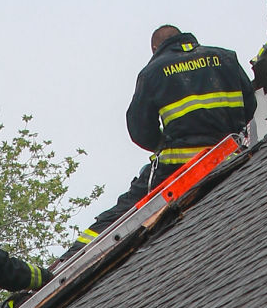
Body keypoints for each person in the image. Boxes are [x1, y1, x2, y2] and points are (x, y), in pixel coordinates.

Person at [69, 25, 256, 252]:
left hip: (178, 166)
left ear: (155, 48)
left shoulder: (153, 71)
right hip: (230, 155)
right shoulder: (225, 58)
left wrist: (163, 145)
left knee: (123, 212)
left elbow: (139, 129)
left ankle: (74, 255)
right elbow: (250, 104)